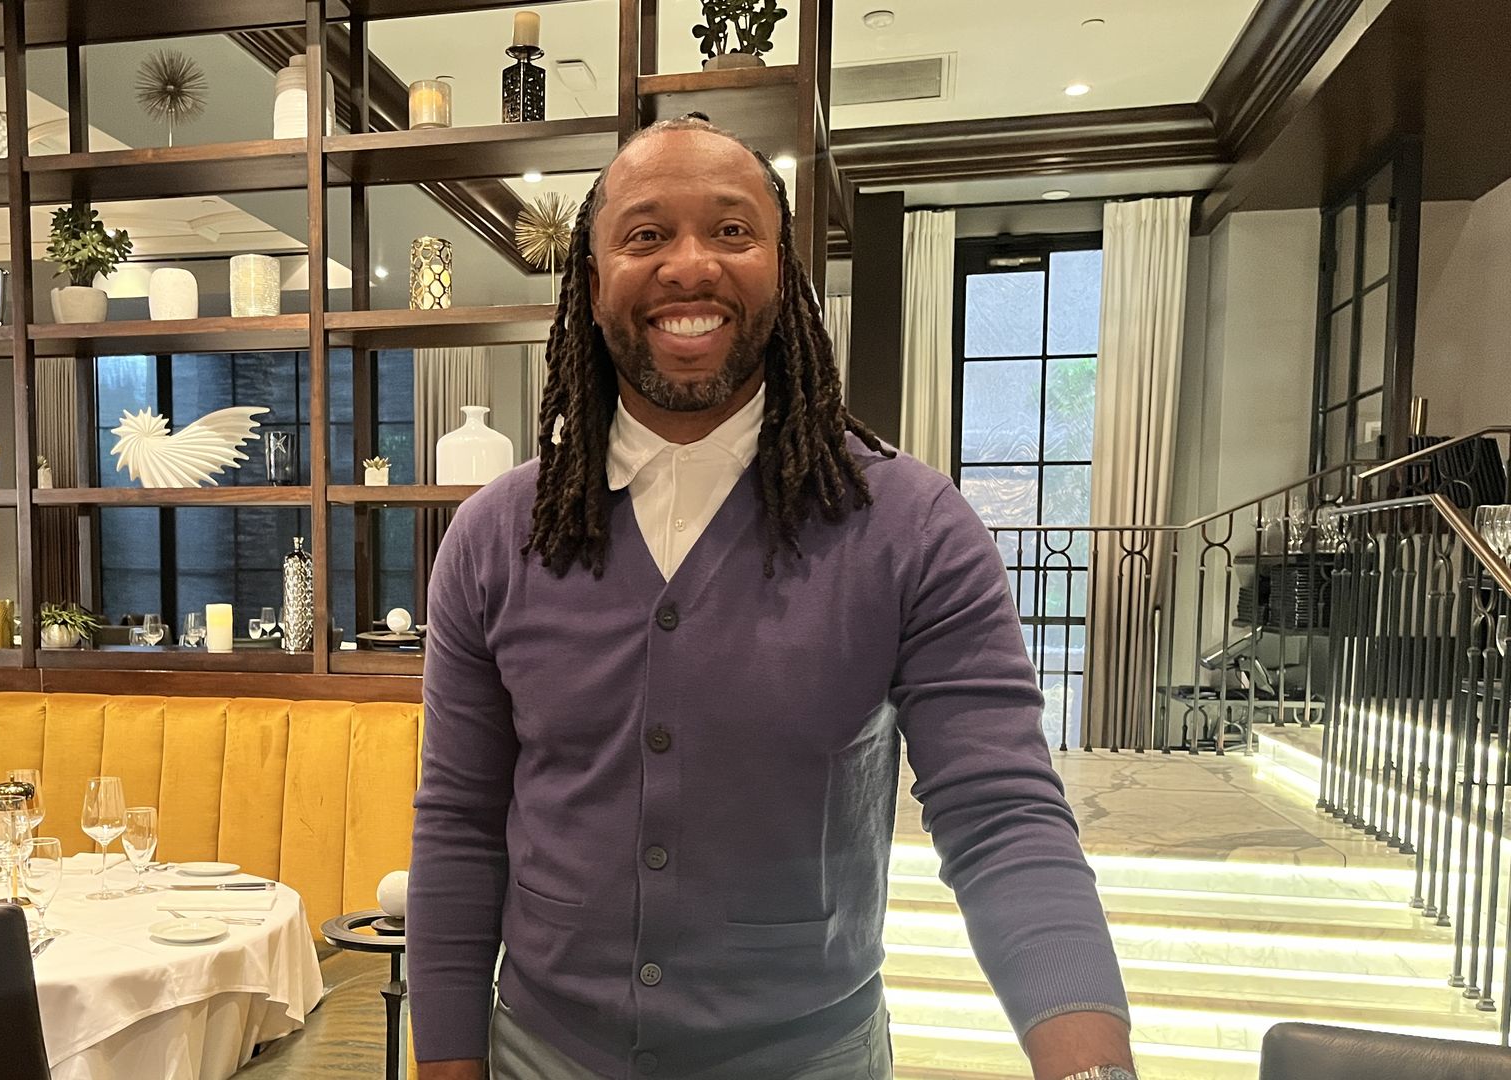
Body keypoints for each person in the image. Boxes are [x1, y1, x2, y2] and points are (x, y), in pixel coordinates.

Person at [408, 113, 1135, 1080]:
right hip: (546, 1053)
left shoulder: (910, 527)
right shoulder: (495, 537)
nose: (689, 267)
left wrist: (1090, 1066)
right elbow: (459, 824)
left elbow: (1002, 815)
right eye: (645, 234)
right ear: (590, 286)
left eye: (733, 231)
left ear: (786, 273)